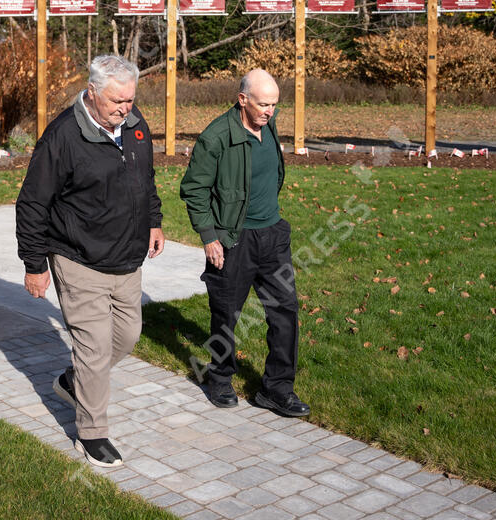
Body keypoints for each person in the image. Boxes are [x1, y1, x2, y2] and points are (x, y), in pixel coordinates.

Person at [16, 54, 165, 468]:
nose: (125, 109)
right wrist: (34, 263)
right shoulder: (63, 136)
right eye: (117, 101)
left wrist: (153, 221)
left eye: (130, 100)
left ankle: (73, 380)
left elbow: (145, 180)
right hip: (77, 256)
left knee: (128, 336)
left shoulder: (135, 128)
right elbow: (32, 204)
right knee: (95, 349)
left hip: (126, 258)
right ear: (92, 92)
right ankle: (92, 434)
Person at [179, 69, 308, 418]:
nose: (270, 111)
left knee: (284, 313)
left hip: (273, 236)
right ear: (242, 100)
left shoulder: (268, 123)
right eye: (263, 104)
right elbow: (194, 189)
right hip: (233, 239)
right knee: (226, 314)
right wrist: (209, 237)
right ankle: (220, 377)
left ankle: (277, 390)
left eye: (274, 105)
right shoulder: (217, 136)